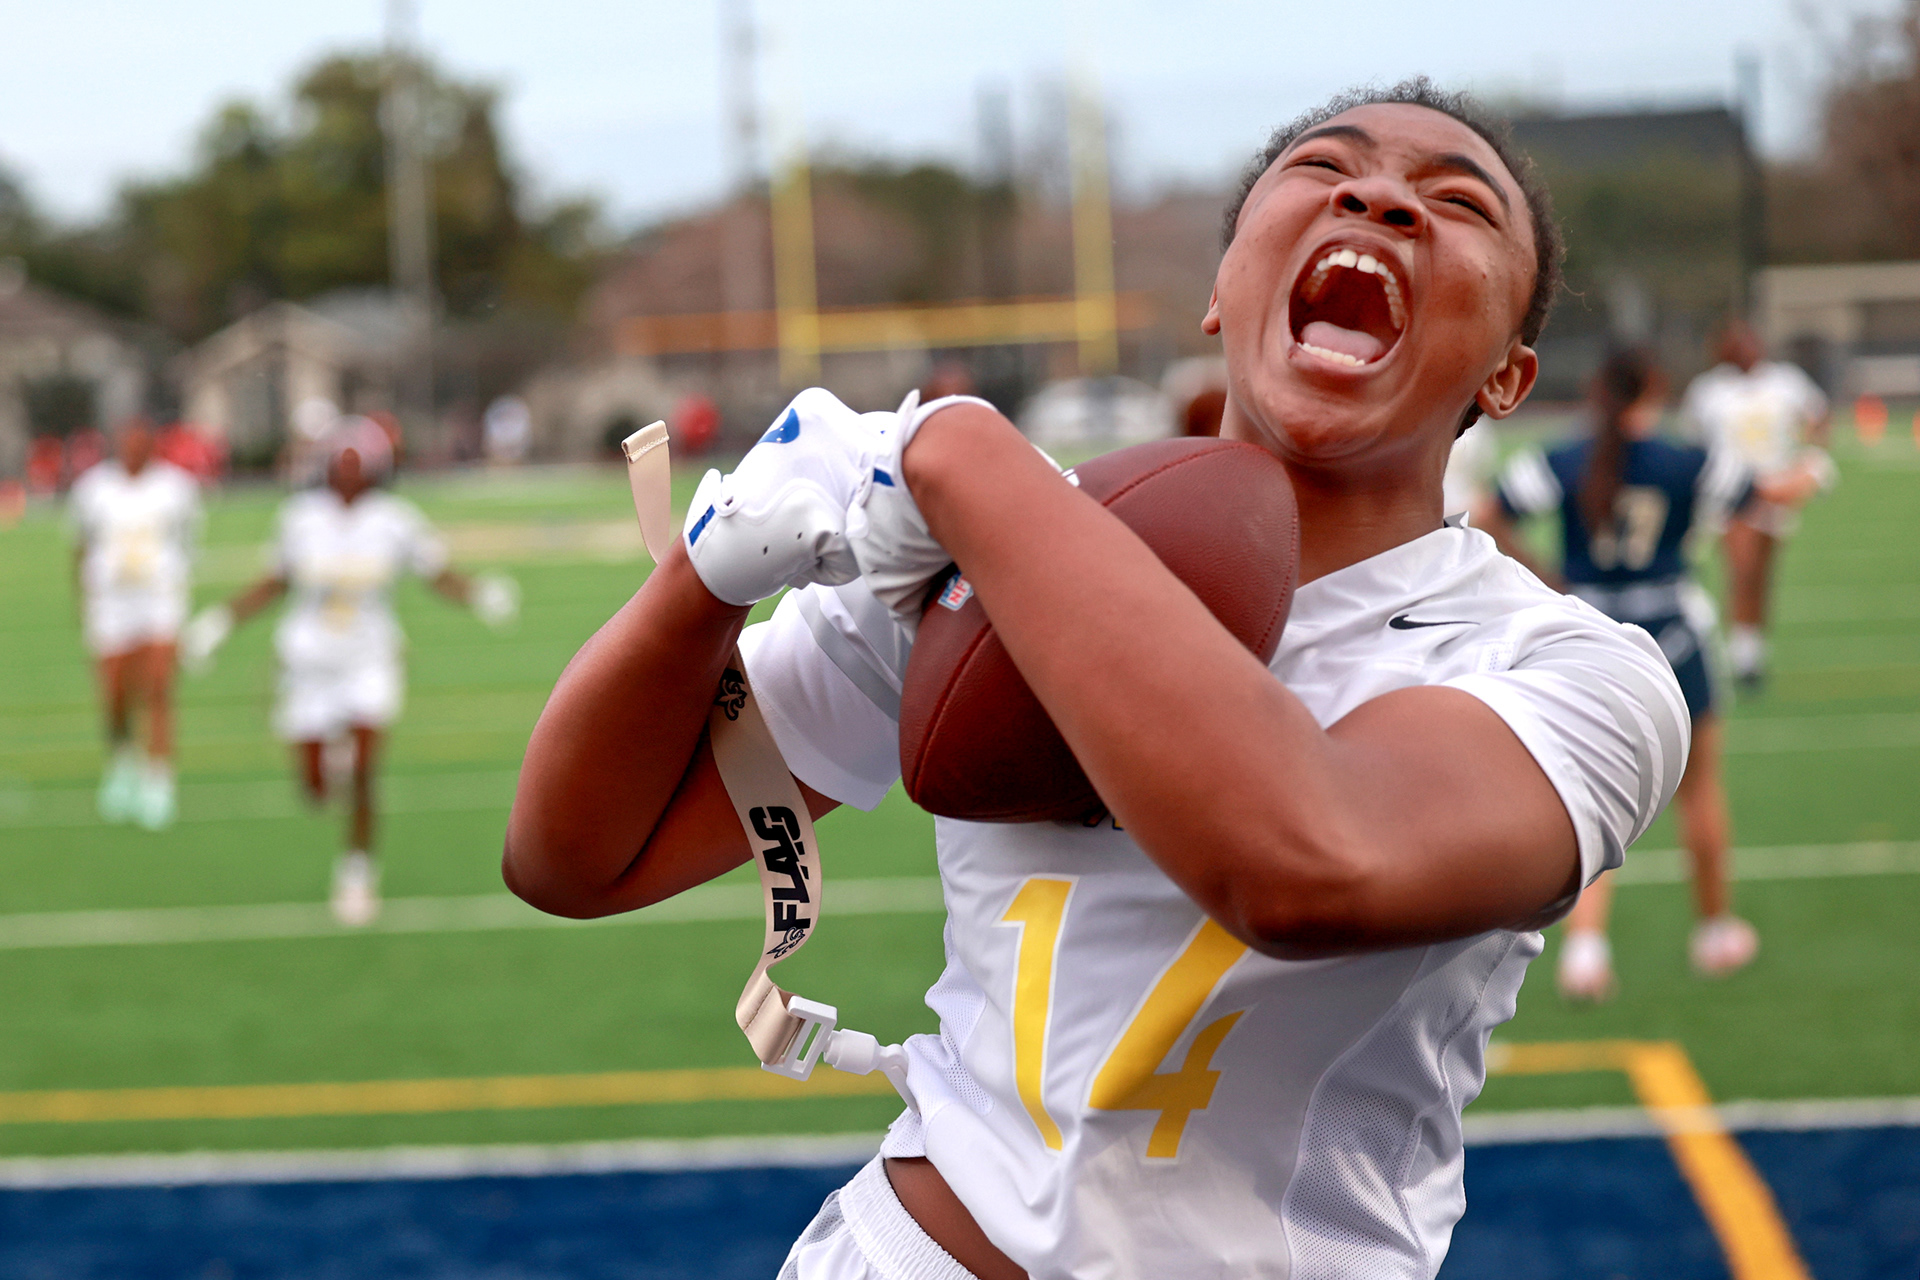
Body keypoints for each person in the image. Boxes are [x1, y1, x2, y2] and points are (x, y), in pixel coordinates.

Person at [504, 81, 1690, 1278]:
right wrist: (706, 573)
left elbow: (1305, 865)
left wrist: (960, 448)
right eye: (1328, 166)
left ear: (1507, 376)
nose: (1380, 195)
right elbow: (574, 855)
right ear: (1222, 291)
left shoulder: (1577, 673)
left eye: (1457, 202)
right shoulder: (989, 548)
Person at [1478, 349, 1821, 1000]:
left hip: (1585, 639)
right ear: (1656, 389)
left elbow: (1486, 513)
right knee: (1700, 792)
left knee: (1589, 797)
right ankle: (1716, 932)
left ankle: (1585, 951)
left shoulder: (1562, 457)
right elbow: (1763, 497)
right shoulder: (1685, 458)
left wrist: (1550, 580)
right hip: (1672, 635)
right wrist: (1809, 472)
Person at [181, 417, 518, 925]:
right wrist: (220, 622)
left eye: (357, 463)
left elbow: (434, 573)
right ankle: (332, 763)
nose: (348, 472)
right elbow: (275, 581)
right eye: (340, 462)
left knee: (365, 771)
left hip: (369, 658)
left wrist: (479, 595)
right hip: (308, 662)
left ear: (375, 469)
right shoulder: (299, 518)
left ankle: (357, 870)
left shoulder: (395, 520)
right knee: (315, 789)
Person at [1680, 319, 1833, 690]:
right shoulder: (1709, 390)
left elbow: (1817, 415)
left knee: (1761, 574)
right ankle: (1740, 655)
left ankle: (1752, 648)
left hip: (1776, 491)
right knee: (1743, 570)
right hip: (1732, 493)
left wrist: (1806, 453)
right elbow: (1693, 440)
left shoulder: (1784, 381)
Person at [69, 416, 202, 829]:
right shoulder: (93, 489)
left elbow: (187, 542)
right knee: (114, 694)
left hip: (158, 600)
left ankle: (158, 779)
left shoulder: (176, 488)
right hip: (111, 603)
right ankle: (123, 760)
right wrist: (83, 600)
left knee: (159, 687)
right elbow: (79, 546)